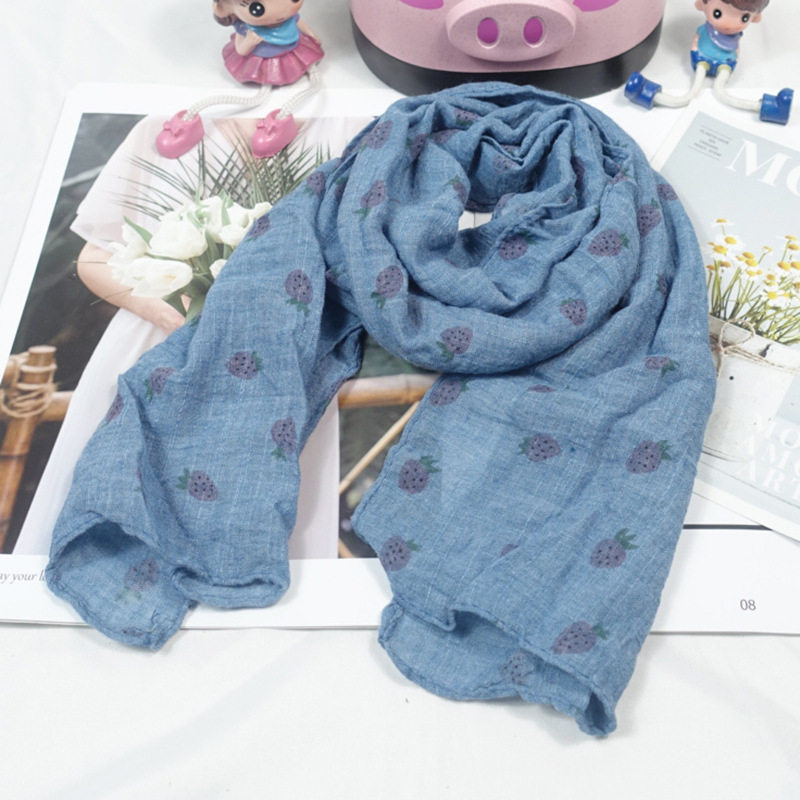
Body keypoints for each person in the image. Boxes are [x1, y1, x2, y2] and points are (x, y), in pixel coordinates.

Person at [13, 113, 364, 556]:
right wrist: (171, 313)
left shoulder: (348, 123)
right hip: (154, 342)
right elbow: (94, 256)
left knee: (258, 525)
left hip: (279, 365)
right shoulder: (165, 120)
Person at [156, 0, 323, 159]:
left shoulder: (289, 18)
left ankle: (280, 121)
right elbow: (241, 50)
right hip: (261, 62)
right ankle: (188, 119)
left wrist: (312, 35)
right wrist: (249, 42)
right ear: (224, 8)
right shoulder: (246, 29)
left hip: (292, 53)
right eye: (257, 8)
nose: (282, 11)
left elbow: (299, 23)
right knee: (257, 98)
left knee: (312, 85)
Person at [625, 0, 793, 124]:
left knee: (722, 92)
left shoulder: (734, 38)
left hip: (726, 62)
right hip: (702, 58)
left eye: (744, 18)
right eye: (718, 13)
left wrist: (732, 60)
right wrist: (695, 53)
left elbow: (736, 51)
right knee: (688, 95)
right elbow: (696, 41)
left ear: (755, 17)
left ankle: (771, 108)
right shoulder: (705, 31)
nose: (729, 24)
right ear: (701, 4)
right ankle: (647, 93)